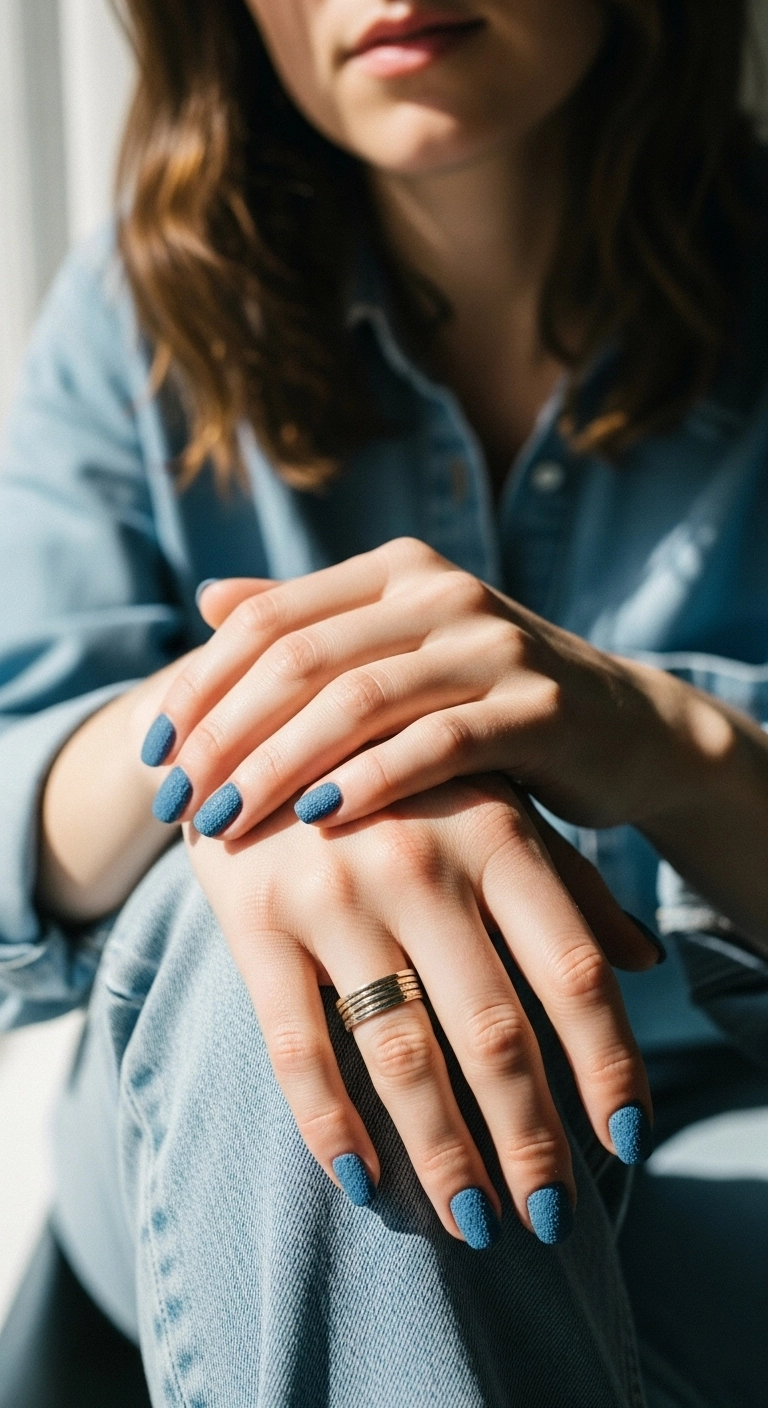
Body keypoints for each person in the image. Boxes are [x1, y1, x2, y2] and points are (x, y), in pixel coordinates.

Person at [1, 1, 767, 1403]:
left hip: (726, 1154)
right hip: (234, 1150)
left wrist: (674, 747)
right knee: (295, 919)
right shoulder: (137, 315)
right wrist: (272, 733)